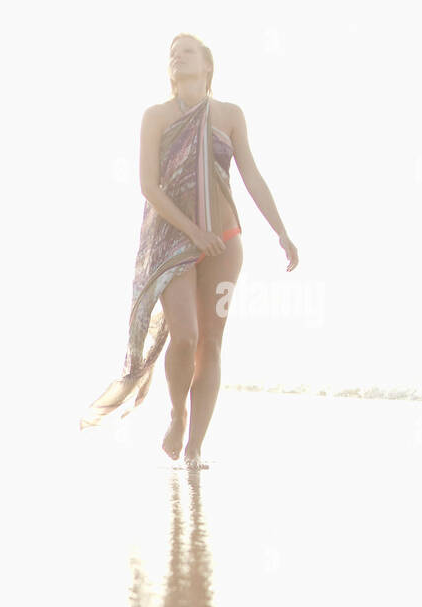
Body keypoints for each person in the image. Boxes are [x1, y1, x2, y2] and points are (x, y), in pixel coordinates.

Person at [79, 33, 299, 468]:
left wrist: (281, 231)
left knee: (212, 344)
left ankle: (196, 446)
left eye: (188, 50)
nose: (178, 55)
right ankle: (177, 413)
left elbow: (252, 176)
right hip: (171, 242)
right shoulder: (156, 117)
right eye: (173, 52)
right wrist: (193, 231)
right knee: (187, 335)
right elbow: (148, 186)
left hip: (225, 242)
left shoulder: (230, 115)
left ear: (208, 65)